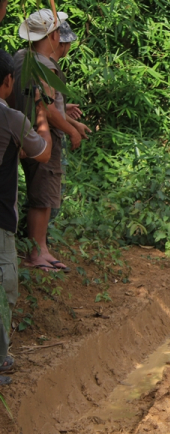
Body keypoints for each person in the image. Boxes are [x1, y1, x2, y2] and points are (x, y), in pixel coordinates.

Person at [14, 9, 82, 272]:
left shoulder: (22, 57)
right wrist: (72, 131)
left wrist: (70, 121)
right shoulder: (43, 64)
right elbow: (49, 110)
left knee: (39, 191)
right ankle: (37, 251)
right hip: (42, 137)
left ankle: (39, 248)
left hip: (22, 133)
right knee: (43, 194)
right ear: (54, 36)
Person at [0, 49, 53, 385]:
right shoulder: (12, 119)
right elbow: (43, 152)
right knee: (3, 288)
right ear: (7, 82)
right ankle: (1, 359)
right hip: (0, 219)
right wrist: (41, 113)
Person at [49, 20, 89, 222]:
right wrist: (72, 130)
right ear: (60, 43)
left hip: (49, 133)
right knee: (51, 190)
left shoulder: (43, 63)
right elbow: (47, 110)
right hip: (50, 136)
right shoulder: (49, 67)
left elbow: (52, 106)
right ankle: (39, 243)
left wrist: (66, 110)